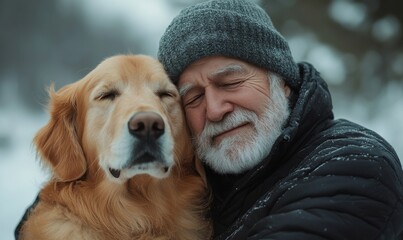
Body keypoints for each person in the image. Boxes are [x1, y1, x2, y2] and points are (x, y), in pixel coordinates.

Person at [157, 0, 403, 239]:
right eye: (194, 98)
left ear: (282, 81)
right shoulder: (187, 194)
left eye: (231, 83)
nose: (214, 110)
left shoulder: (355, 164)